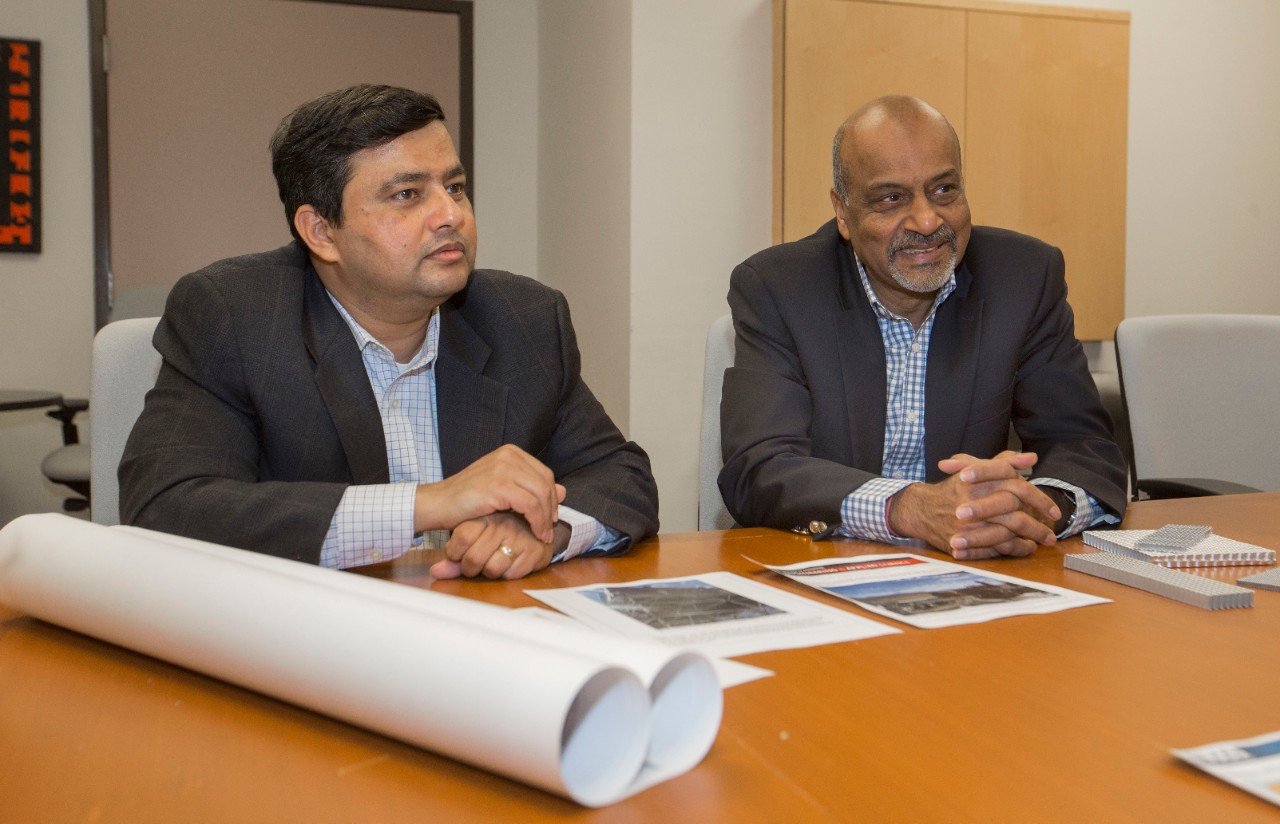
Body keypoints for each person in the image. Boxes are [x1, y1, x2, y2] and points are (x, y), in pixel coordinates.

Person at [120, 84, 658, 579]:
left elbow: (620, 475)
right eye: (407, 194)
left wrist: (545, 529)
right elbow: (167, 505)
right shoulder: (234, 316)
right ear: (321, 231)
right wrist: (429, 503)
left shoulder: (524, 316)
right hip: (305, 638)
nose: (450, 214)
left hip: (477, 630)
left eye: (455, 187)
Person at [718, 95, 1126, 560]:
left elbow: (1084, 446)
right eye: (891, 198)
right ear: (843, 212)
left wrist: (1029, 509)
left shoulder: (1024, 278)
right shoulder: (779, 288)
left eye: (944, 190)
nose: (928, 220)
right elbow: (760, 467)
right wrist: (907, 508)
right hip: (821, 565)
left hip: (971, 569)